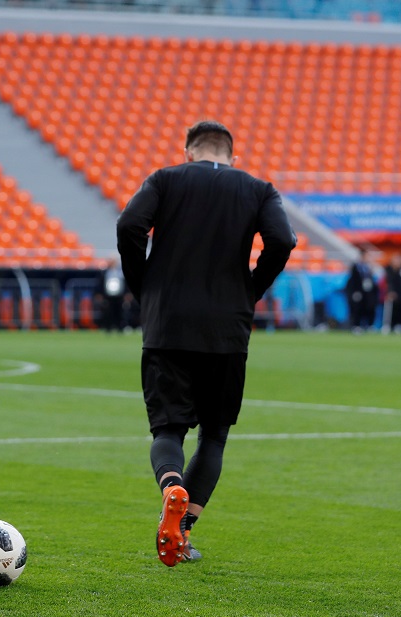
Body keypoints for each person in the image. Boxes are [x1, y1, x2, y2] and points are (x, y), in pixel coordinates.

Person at [116, 120, 296, 567]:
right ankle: (184, 529)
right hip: (227, 328)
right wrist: (250, 288)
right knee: (214, 437)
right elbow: (283, 240)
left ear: (187, 151)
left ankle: (171, 485)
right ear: (233, 156)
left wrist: (145, 285)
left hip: (168, 323)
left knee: (169, 430)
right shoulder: (258, 189)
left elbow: (129, 225)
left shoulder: (165, 179)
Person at [345, 250, 380, 333]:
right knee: (357, 309)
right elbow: (353, 280)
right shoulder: (356, 266)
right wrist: (355, 291)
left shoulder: (369, 267)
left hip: (368, 292)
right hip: (358, 291)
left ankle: (369, 325)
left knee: (369, 308)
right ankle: (356, 325)